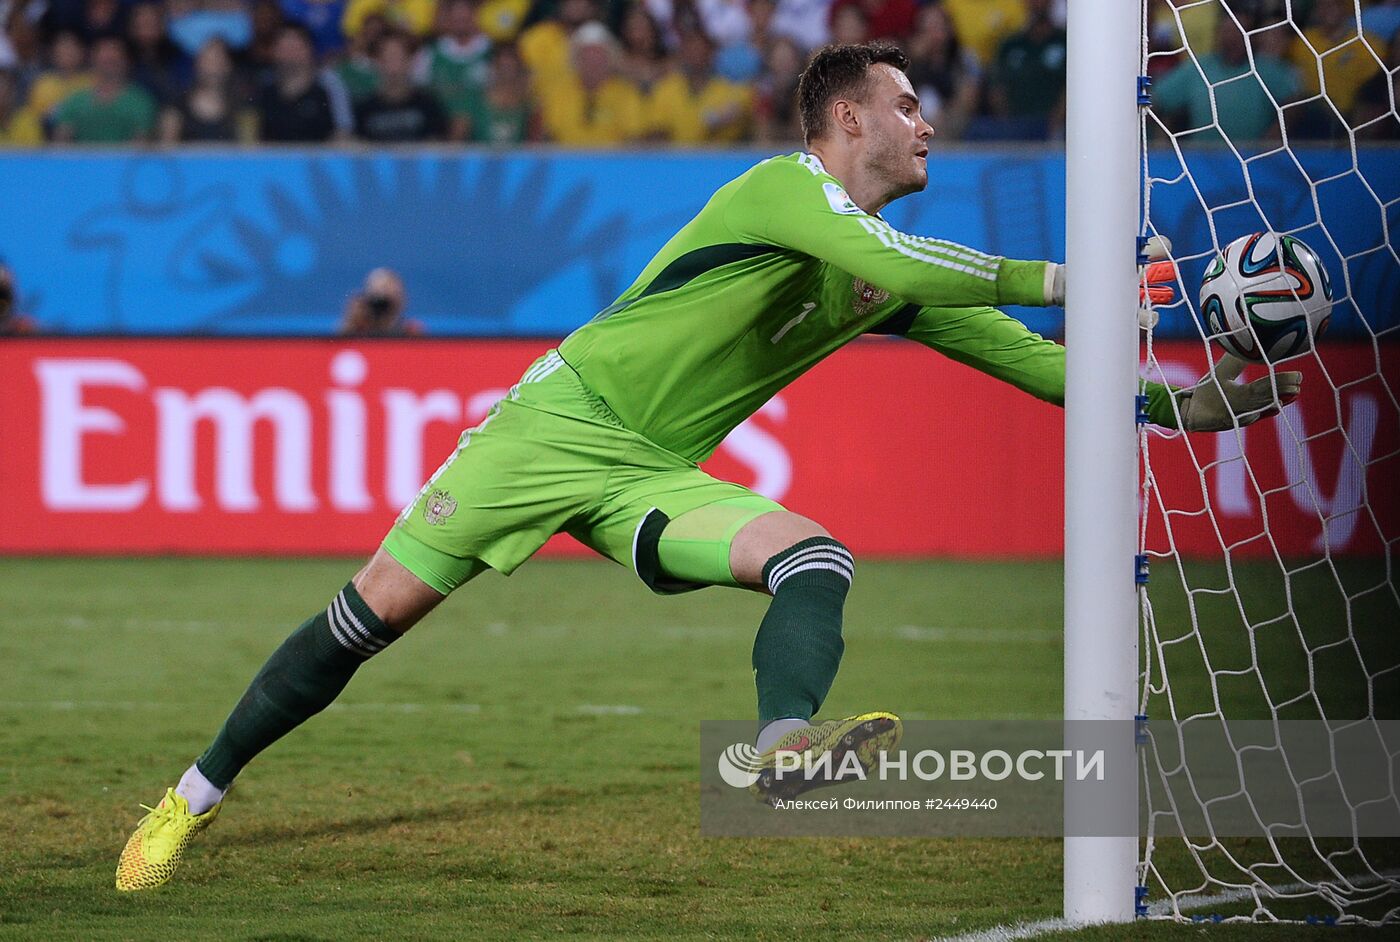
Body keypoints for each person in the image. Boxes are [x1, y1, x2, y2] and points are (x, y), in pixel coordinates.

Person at [115, 40, 1302, 892]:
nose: (926, 123)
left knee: (814, 556)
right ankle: (192, 797)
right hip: (550, 430)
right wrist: (1074, 270)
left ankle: (780, 753)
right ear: (846, 121)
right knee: (367, 619)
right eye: (906, 104)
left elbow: (1033, 363)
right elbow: (949, 271)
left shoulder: (889, 274)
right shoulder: (785, 191)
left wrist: (1191, 403)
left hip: (648, 471)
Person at [51, 34, 157, 142]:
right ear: (93, 61)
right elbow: (61, 144)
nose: (109, 63)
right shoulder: (75, 101)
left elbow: (141, 144)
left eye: (113, 61)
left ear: (127, 61)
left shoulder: (140, 102)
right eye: (105, 61)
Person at [353, 29, 447, 142]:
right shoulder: (364, 108)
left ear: (410, 61)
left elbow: (437, 145)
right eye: (387, 58)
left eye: (399, 57)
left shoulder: (428, 105)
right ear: (378, 62)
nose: (393, 65)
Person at [338, 267, 424, 336]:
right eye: (377, 300)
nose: (382, 307)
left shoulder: (411, 331)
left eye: (387, 301)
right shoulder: (357, 328)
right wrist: (351, 322)